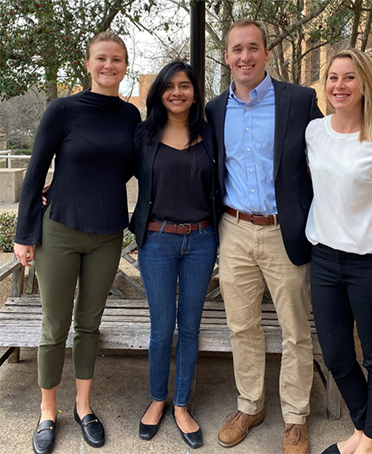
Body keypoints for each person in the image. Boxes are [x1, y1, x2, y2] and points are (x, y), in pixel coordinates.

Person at [205, 20, 372, 454]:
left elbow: (350, 131)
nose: (244, 57)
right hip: (234, 230)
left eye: (253, 48)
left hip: (286, 232)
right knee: (241, 326)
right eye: (236, 50)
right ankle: (250, 406)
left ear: (266, 53)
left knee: (295, 331)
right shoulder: (213, 110)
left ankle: (295, 418)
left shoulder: (299, 102)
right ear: (226, 57)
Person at [14, 31, 141, 454]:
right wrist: (24, 235)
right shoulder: (63, 110)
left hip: (107, 235)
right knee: (54, 327)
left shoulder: (130, 117)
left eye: (117, 59)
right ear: (88, 64)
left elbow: (125, 168)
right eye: (101, 59)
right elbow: (35, 174)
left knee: (88, 325)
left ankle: (84, 406)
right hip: (59, 232)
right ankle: (48, 411)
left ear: (125, 66)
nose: (109, 66)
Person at [306, 48, 372, 454]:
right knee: (336, 356)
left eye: (349, 77)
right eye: (333, 77)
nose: (339, 85)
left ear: (365, 84)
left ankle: (365, 442)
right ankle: (368, 433)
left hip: (371, 266)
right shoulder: (314, 133)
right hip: (325, 261)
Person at [129, 61, 220, 449]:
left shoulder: (212, 135)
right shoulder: (143, 136)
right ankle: (157, 399)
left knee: (191, 327)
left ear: (195, 93)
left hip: (201, 240)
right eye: (170, 87)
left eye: (185, 86)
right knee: (162, 328)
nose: (177, 93)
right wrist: (54, 185)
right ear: (159, 94)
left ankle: (181, 404)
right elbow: (103, 167)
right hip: (158, 242)